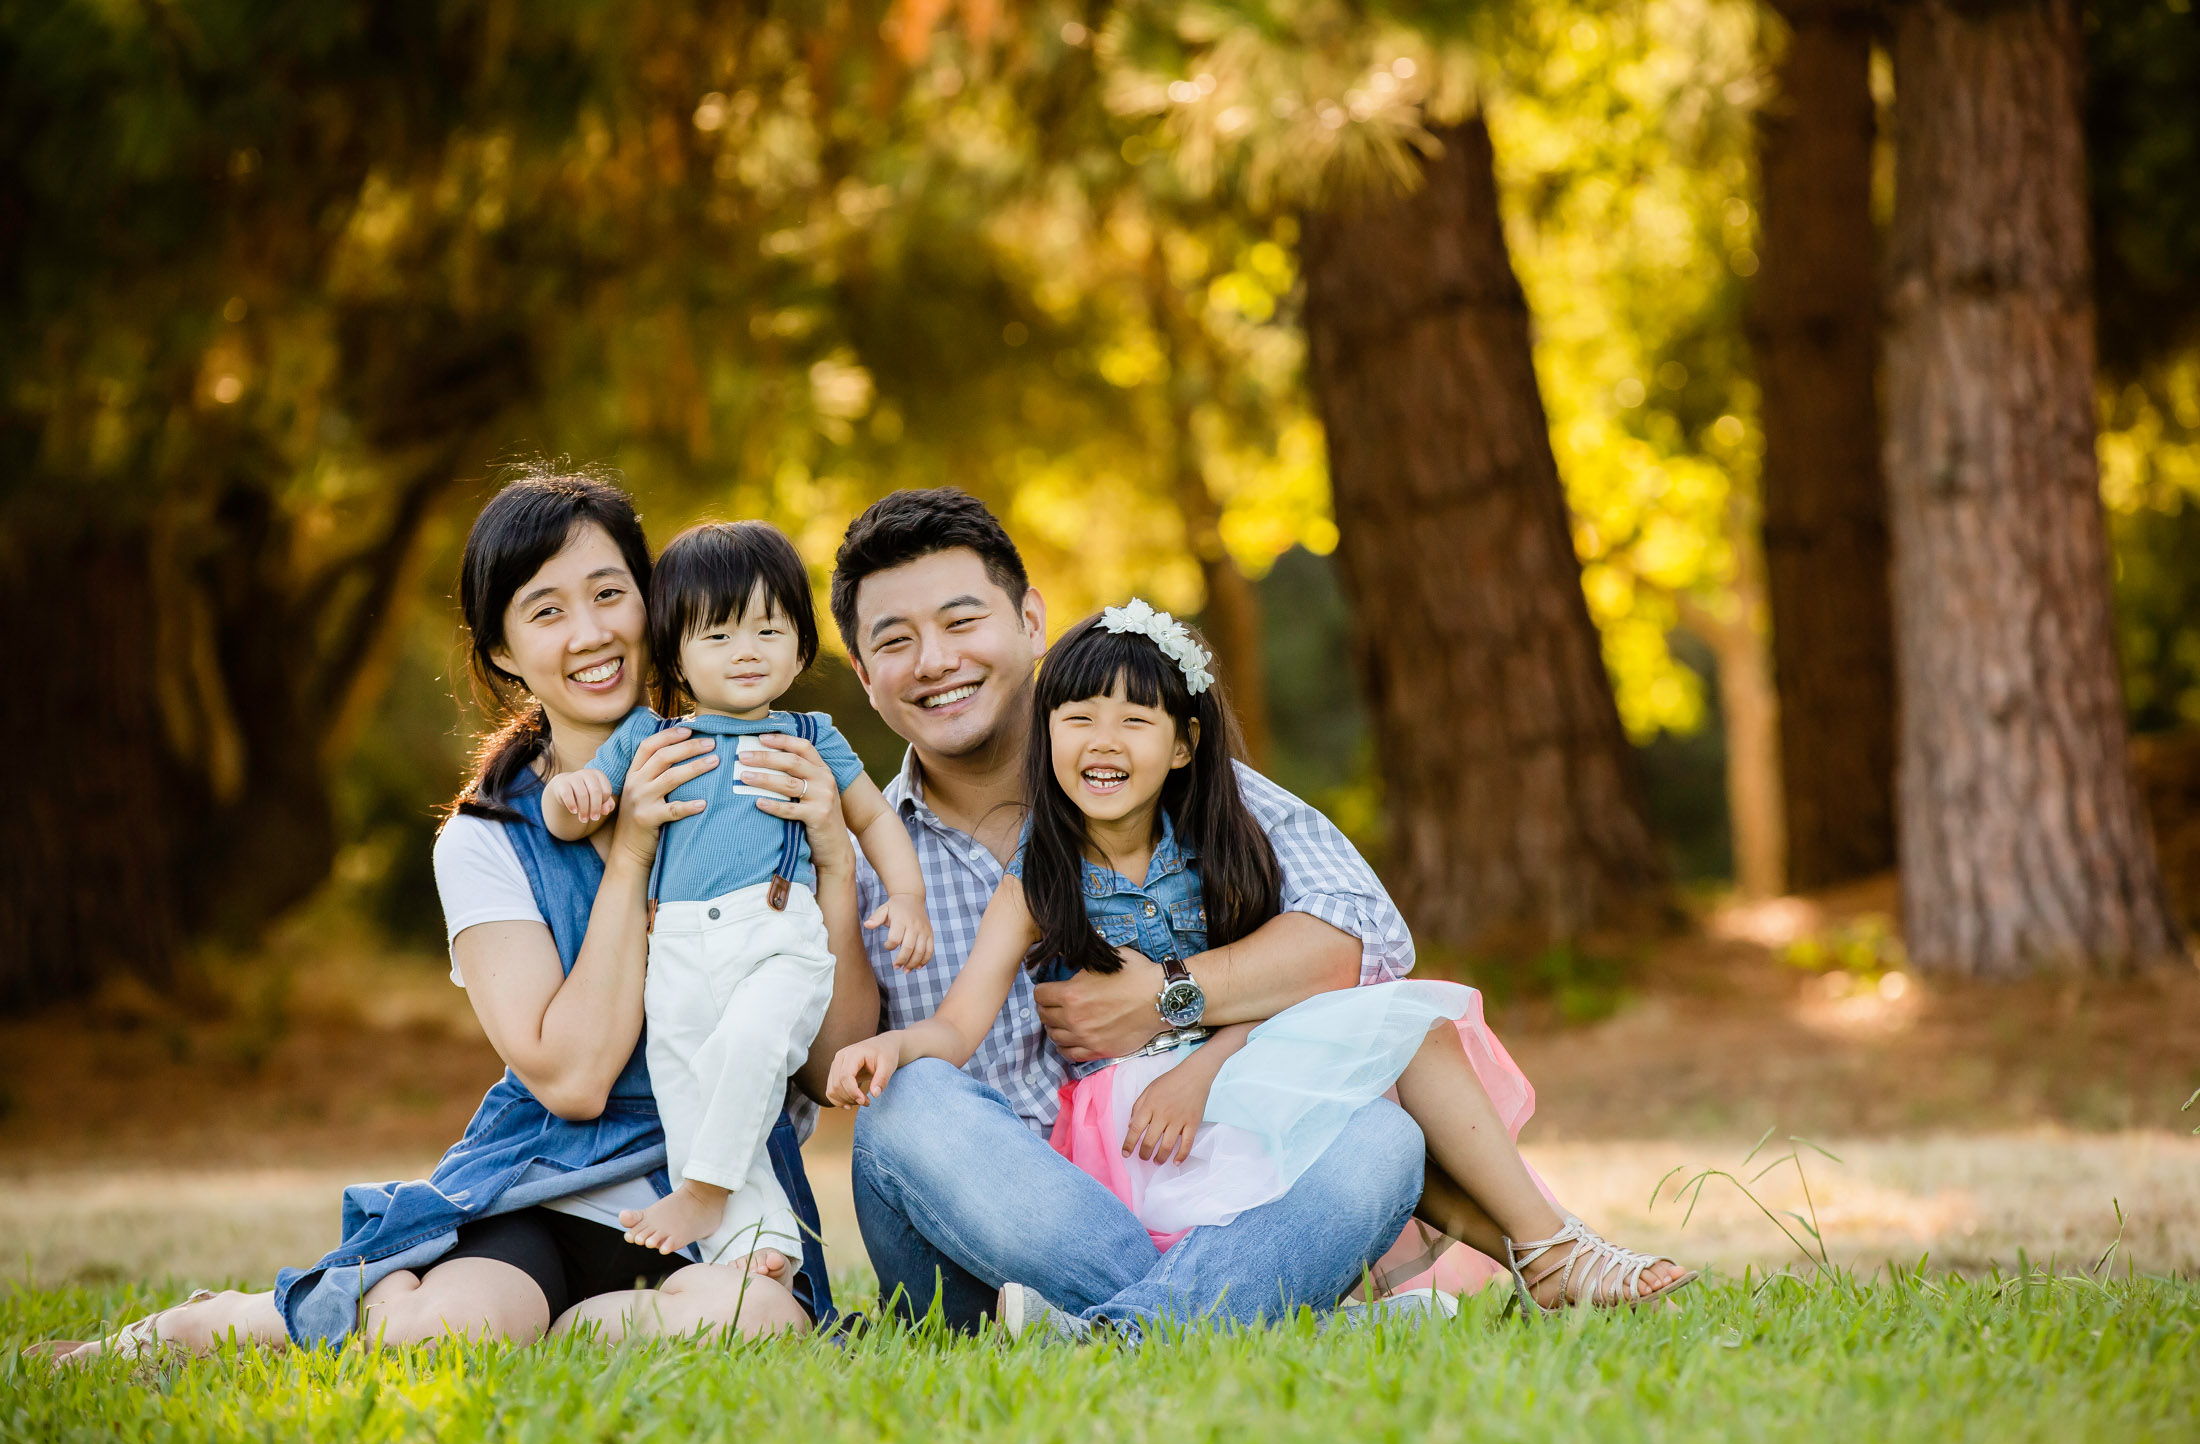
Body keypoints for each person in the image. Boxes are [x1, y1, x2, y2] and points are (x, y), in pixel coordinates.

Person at [34, 472, 876, 1364]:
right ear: (505, 650)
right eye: (544, 610)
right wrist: (630, 853)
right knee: (442, 1339)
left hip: (713, 1195)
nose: (590, 633)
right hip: (543, 1190)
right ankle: (221, 1323)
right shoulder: (485, 840)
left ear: (653, 603)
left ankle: (541, 1332)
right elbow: (575, 1078)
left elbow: (831, 1068)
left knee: (756, 1327)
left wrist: (833, 855)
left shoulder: (765, 773)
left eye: (608, 594)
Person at [828, 603, 1696, 1337]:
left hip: (1232, 1101)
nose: (1102, 740)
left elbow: (1327, 979)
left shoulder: (1231, 848)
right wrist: (898, 1048)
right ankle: (1205, 1317)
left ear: (1181, 746)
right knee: (913, 1098)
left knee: (1391, 1114)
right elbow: (959, 1022)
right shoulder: (1037, 879)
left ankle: (1544, 1248)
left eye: (1134, 720)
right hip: (1115, 1152)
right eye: (1078, 717)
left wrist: (1204, 1061)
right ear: (1044, 734)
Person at [830, 488, 1431, 1338]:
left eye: (962, 621)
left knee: (1382, 1141)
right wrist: (828, 858)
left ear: (1031, 622)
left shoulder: (1164, 777)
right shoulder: (859, 856)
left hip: (1195, 1176)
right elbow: (831, 1063)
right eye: (895, 640)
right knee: (905, 1098)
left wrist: (1170, 994)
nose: (934, 660)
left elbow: (1365, 932)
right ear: (863, 672)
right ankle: (1221, 1309)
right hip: (986, 1247)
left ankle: (1126, 1329)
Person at [544, 520, 931, 1269]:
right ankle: (760, 1244)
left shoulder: (810, 736)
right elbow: (564, 813)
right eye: (719, 635)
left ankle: (703, 1193)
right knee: (695, 1084)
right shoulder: (650, 738)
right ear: (676, 653)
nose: (748, 649)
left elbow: (875, 818)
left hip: (778, 938)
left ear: (798, 642)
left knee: (750, 1045)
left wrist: (907, 896)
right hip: (679, 950)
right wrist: (580, 790)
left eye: (768, 628)